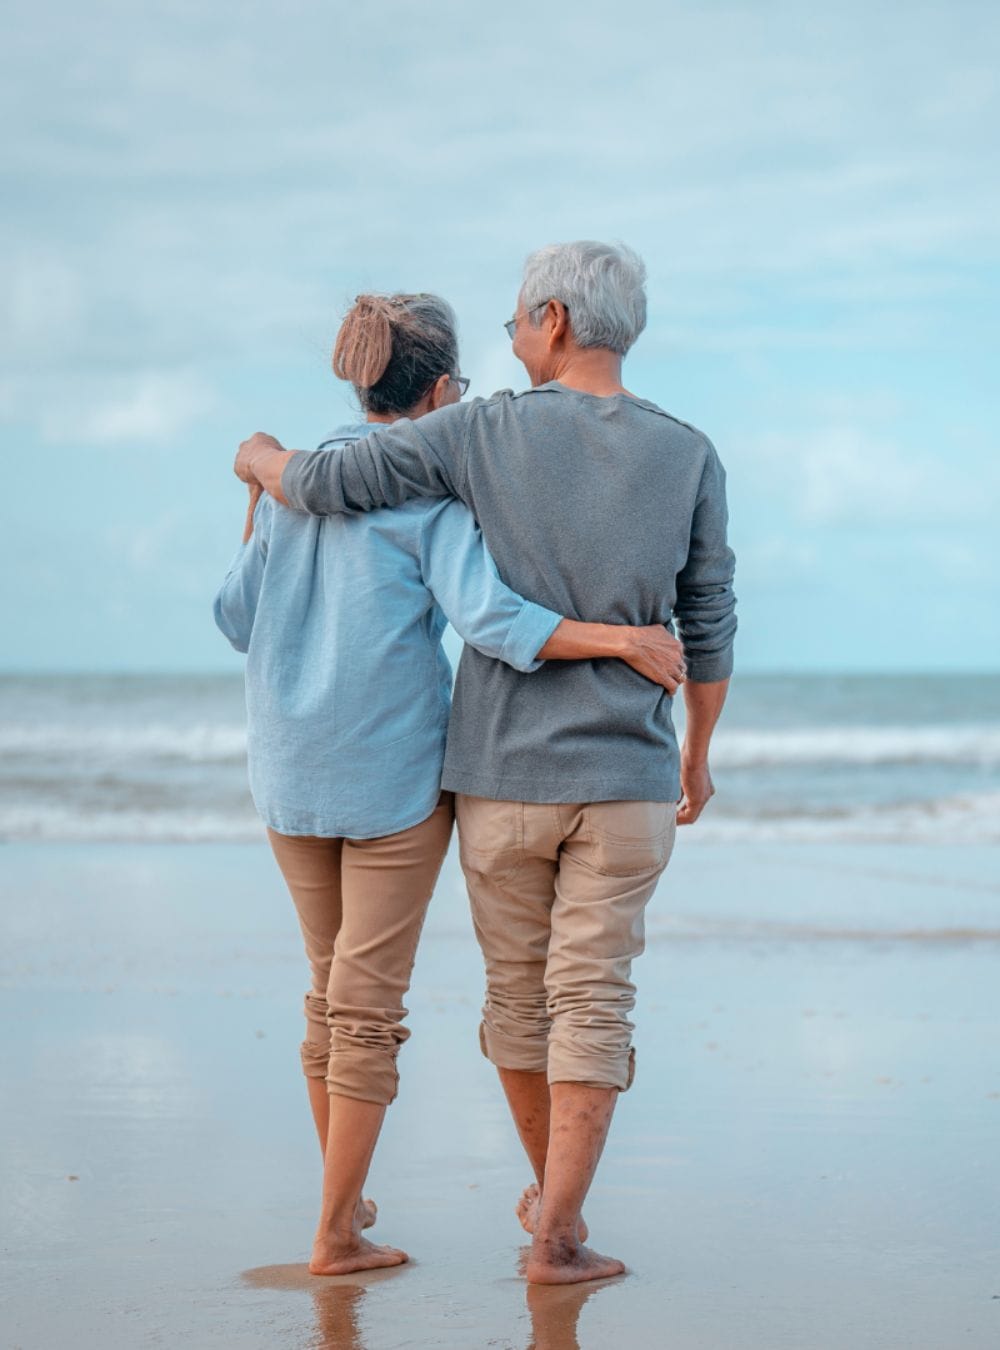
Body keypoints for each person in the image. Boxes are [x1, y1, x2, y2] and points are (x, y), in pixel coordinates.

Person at [234, 242, 737, 1284]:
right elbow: (672, 619)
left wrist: (257, 465)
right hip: (529, 778)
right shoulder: (680, 453)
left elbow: (287, 537)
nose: (508, 348)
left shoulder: (458, 441)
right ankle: (532, 1228)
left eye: (517, 324)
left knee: (443, 997)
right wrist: (685, 734)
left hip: (409, 775)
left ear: (554, 320)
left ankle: (426, 1203)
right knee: (568, 998)